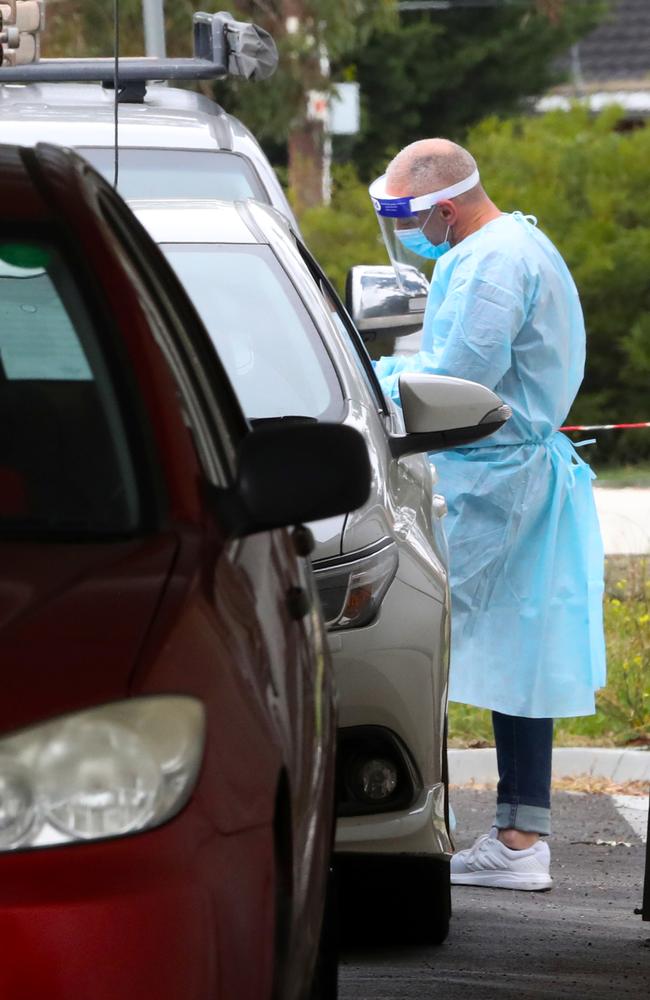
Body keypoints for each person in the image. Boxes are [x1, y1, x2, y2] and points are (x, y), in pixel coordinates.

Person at [369, 138, 606, 891]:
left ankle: (427, 825)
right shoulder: (500, 246)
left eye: (404, 216)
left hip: (492, 480)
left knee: (416, 651)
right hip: (498, 474)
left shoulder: (495, 262)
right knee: (515, 657)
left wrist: (375, 375)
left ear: (444, 207)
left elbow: (457, 374)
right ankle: (517, 834)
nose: (401, 230)